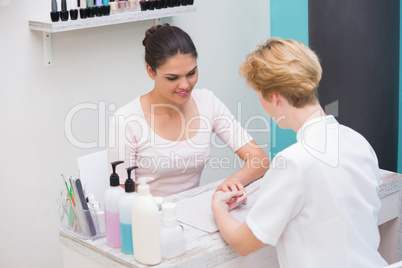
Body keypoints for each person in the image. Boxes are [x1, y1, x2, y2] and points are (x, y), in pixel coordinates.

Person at [211, 38, 388, 267]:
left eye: (259, 95)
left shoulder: (293, 162)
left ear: (274, 96)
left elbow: (243, 244)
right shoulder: (358, 142)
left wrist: (218, 205)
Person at [108, 24, 269, 197]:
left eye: (191, 73)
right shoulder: (126, 120)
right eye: (172, 78)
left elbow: (259, 159)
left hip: (192, 213)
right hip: (148, 218)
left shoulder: (207, 102)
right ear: (150, 71)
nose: (185, 85)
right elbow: (121, 198)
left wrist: (230, 184)